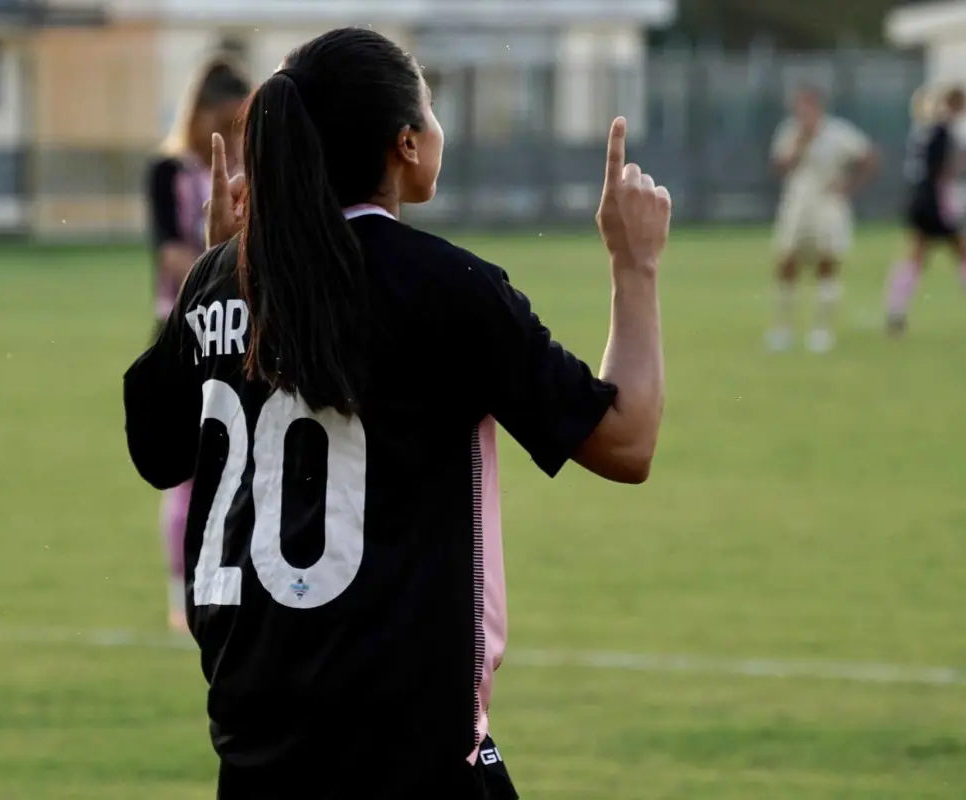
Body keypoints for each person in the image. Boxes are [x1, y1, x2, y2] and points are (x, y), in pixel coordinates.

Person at [123, 27, 670, 800]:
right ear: (406, 144)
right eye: (432, 109)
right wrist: (634, 265)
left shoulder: (224, 278)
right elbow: (626, 441)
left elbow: (155, 449)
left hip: (255, 764)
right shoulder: (448, 290)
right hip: (411, 761)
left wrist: (215, 273)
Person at [144, 57, 251, 634]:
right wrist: (221, 272)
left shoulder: (250, 171)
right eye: (227, 121)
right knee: (188, 468)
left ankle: (240, 578)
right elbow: (169, 252)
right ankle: (183, 588)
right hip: (185, 326)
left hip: (246, 325)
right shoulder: (170, 171)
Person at [768, 85, 878, 353]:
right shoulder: (790, 131)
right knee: (787, 263)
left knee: (827, 265)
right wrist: (801, 142)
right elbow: (781, 166)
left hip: (828, 205)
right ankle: (783, 328)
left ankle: (821, 330)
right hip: (797, 203)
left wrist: (849, 186)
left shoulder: (839, 132)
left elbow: (868, 157)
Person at [885, 85, 966, 335]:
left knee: (916, 255)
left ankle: (896, 312)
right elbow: (943, 169)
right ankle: (895, 312)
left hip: (919, 197)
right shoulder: (942, 131)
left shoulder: (923, 129)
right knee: (959, 252)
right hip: (935, 200)